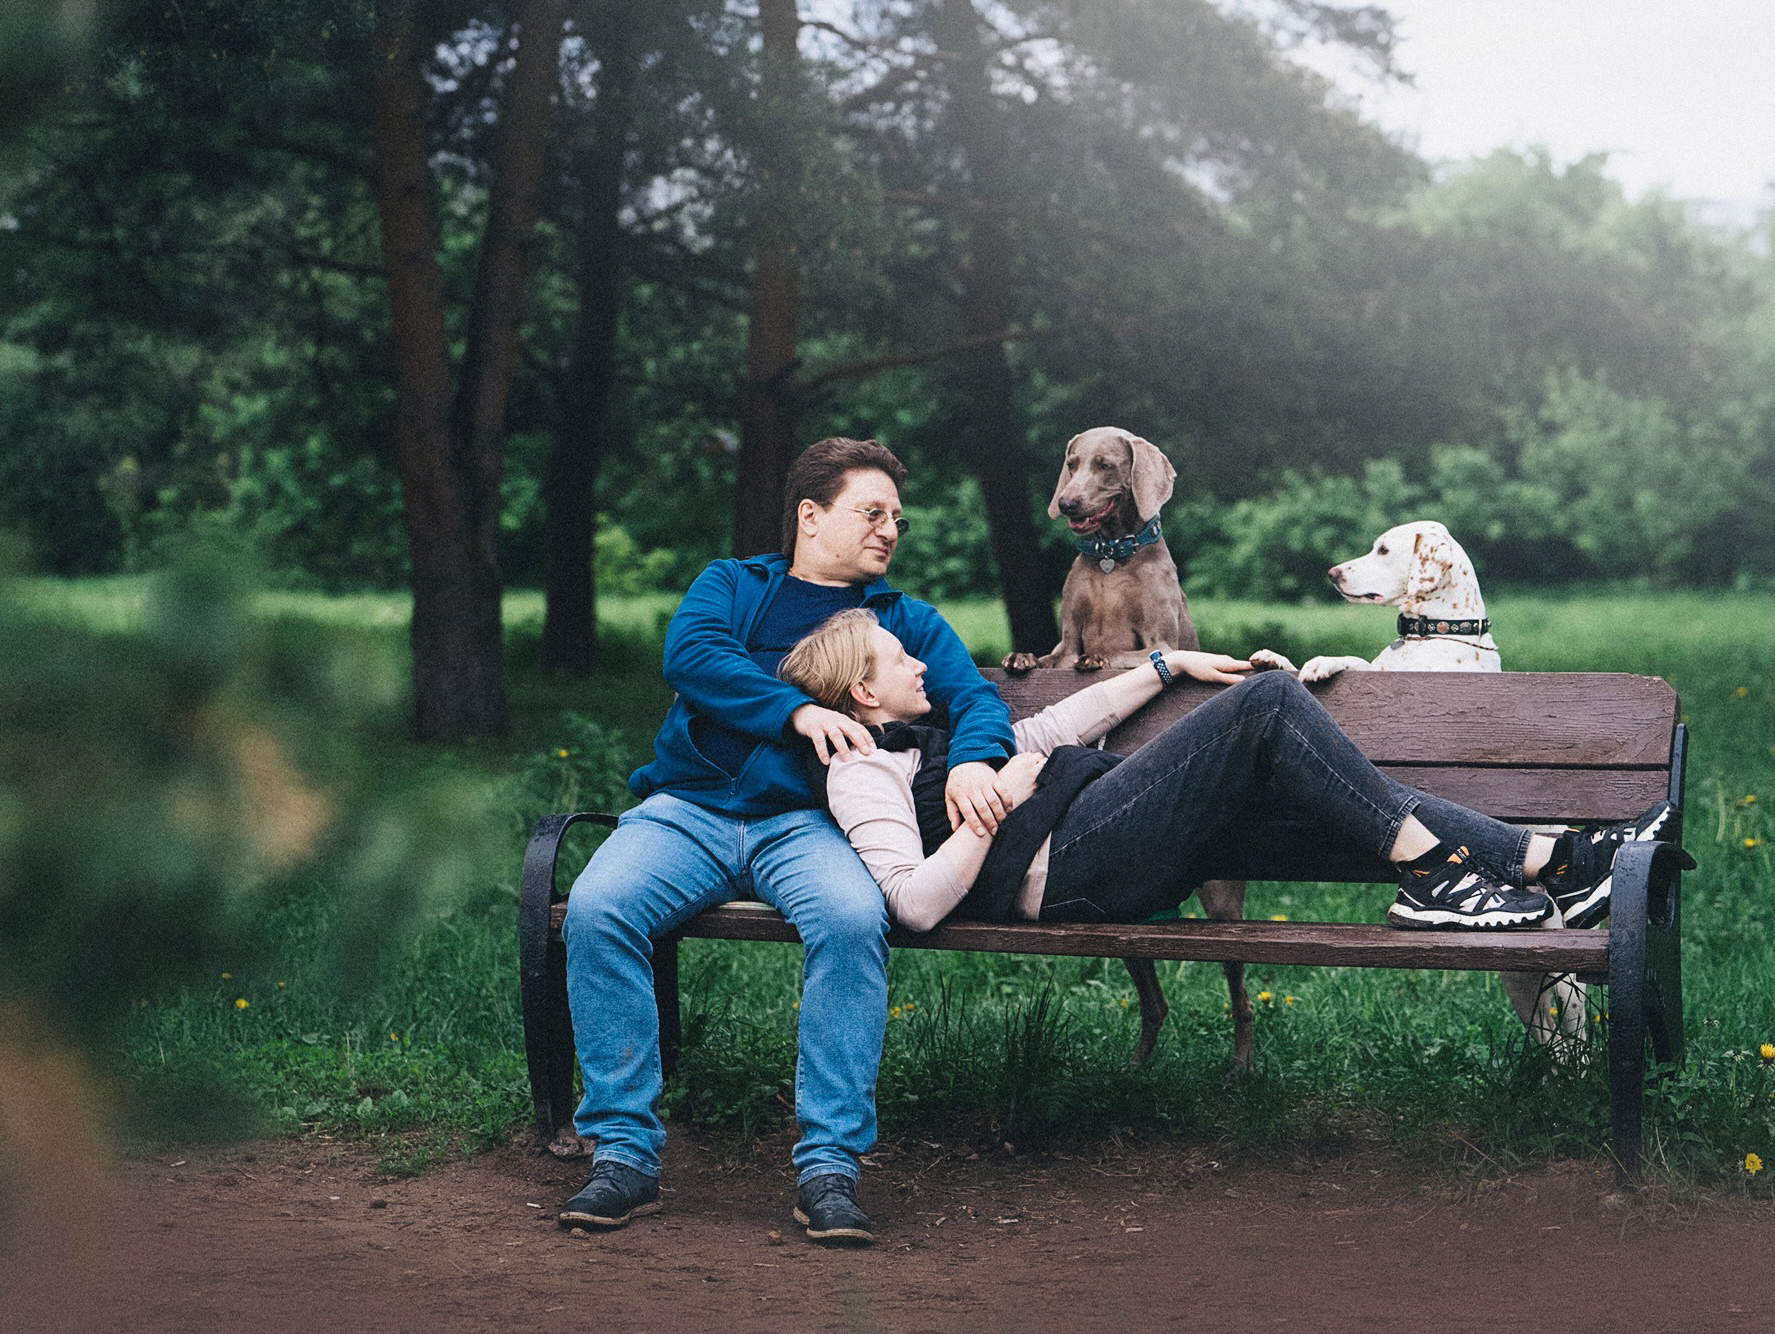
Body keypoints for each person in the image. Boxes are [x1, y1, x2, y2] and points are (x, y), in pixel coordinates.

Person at [556, 438, 1015, 1246]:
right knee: (598, 909)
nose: (890, 530)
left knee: (851, 919)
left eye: (897, 519)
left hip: (808, 825)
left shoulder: (903, 620)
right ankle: (623, 1154)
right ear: (811, 516)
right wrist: (796, 711)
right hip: (688, 811)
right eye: (871, 513)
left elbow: (975, 698)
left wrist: (977, 758)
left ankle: (830, 1166)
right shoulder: (735, 586)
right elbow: (692, 655)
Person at [777, 608, 1672, 937]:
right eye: (899, 660)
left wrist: (1164, 666)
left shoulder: (927, 734)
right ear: (863, 691)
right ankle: (1440, 878)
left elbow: (1047, 726)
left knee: (1330, 792)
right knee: (1268, 703)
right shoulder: (860, 770)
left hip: (1092, 830)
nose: (921, 665)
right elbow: (912, 905)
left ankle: (1565, 862)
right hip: (1073, 865)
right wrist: (993, 809)